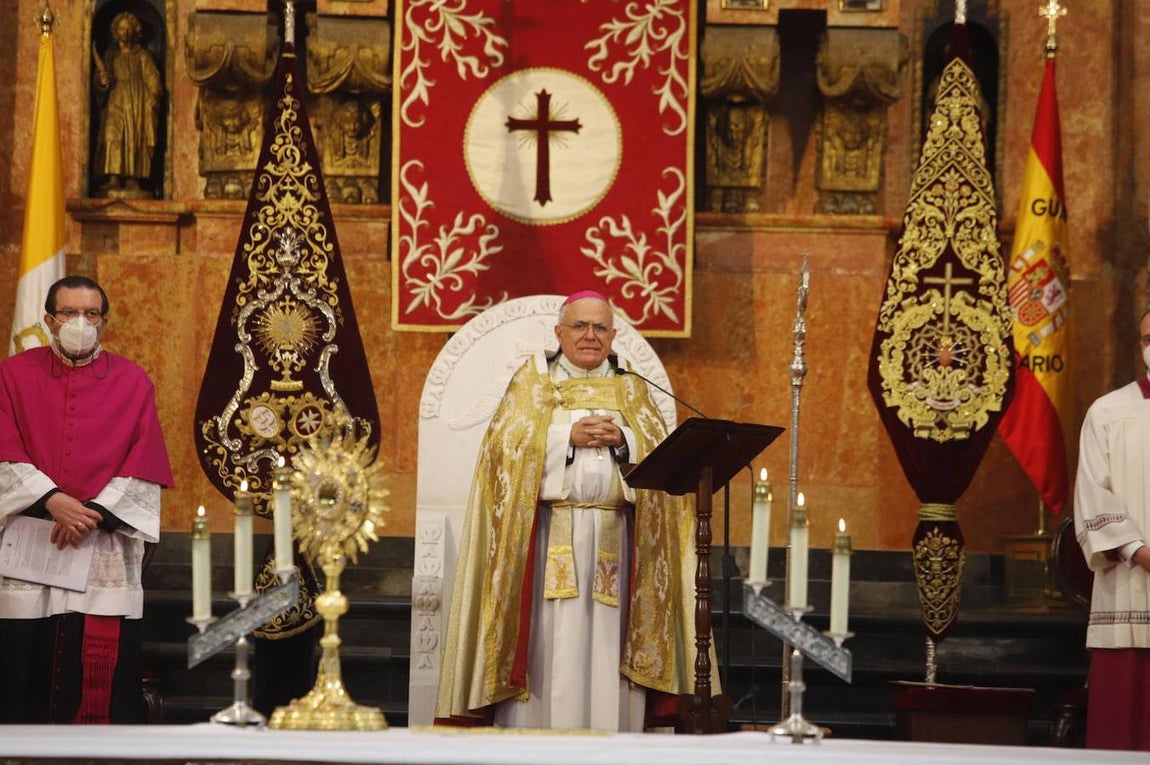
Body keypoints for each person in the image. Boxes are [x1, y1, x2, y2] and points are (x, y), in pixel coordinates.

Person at [435, 290, 709, 732]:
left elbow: (663, 455)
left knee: (606, 644)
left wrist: (624, 440)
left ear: (614, 335)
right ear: (559, 333)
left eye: (600, 327)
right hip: (545, 538)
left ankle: (612, 747)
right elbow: (501, 453)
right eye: (580, 326)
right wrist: (564, 438)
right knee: (550, 646)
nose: (589, 335)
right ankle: (537, 744)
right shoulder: (533, 381)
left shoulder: (634, 388)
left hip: (616, 536)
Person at [0, 275, 173, 723]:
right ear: (48, 320)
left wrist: (91, 514)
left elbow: (145, 461)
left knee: (94, 676)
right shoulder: (11, 374)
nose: (81, 322)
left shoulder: (133, 381)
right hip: (29, 543)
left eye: (91, 314)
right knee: (21, 670)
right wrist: (52, 500)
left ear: (105, 321)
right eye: (70, 312)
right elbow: (3, 445)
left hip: (99, 544)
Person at [1073, 307, 1150, 751]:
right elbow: (1092, 493)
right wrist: (1138, 550)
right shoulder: (1108, 412)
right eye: (1145, 338)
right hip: (1129, 586)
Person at [93, 11, 162, 196]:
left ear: (135, 31)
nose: (125, 32)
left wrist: (153, 96)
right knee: (113, 135)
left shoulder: (143, 56)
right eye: (122, 28)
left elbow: (152, 78)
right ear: (116, 31)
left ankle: (134, 178)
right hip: (115, 100)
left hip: (136, 102)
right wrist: (101, 82)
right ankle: (113, 177)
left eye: (128, 28)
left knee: (134, 137)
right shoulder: (110, 56)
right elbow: (100, 82)